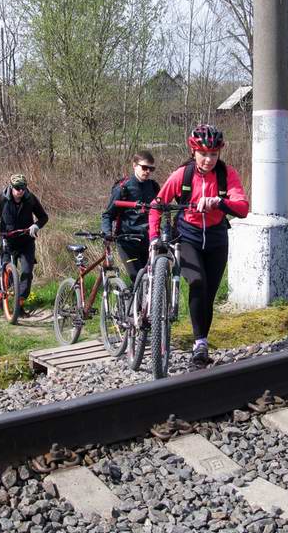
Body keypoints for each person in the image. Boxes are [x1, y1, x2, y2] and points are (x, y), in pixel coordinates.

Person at [149, 124, 249, 366]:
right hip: (188, 237)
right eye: (203, 154)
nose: (208, 159)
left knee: (209, 295)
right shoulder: (182, 175)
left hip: (216, 239)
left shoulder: (227, 174)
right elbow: (157, 204)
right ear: (193, 152)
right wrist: (153, 238)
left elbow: (243, 208)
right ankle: (199, 343)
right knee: (197, 282)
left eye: (213, 154)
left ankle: (201, 344)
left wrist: (220, 202)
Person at [0, 174, 48, 307]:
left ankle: (19, 304)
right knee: (8, 274)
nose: (20, 191)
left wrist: (36, 225)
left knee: (27, 273)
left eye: (23, 187)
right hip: (8, 241)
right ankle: (2, 296)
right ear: (11, 187)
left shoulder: (30, 199)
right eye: (17, 188)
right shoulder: (2, 199)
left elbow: (44, 217)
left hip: (26, 241)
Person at [101, 150, 160, 282]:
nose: (148, 171)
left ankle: (146, 303)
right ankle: (131, 301)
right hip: (127, 242)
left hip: (148, 242)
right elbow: (107, 215)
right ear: (134, 165)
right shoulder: (123, 188)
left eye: (151, 169)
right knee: (137, 278)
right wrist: (107, 233)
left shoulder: (154, 187)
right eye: (144, 167)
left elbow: (160, 211)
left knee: (152, 281)